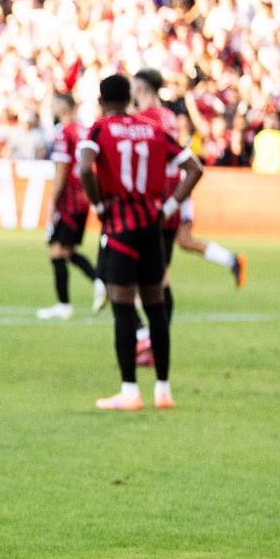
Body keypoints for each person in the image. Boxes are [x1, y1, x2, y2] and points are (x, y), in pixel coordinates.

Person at [78, 74, 203, 411]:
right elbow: (194, 167)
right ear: (130, 97)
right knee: (156, 307)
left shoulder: (100, 130)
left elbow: (86, 168)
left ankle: (130, 391)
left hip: (120, 226)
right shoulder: (153, 129)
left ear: (102, 101)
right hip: (151, 225)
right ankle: (163, 390)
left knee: (122, 309)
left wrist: (99, 205)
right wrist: (169, 207)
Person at [132, 68, 246, 291]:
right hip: (179, 184)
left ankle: (142, 321)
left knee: (148, 261)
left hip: (162, 190)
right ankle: (230, 260)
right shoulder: (170, 117)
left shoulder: (146, 119)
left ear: (139, 88)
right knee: (181, 242)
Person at [36, 95, 106, 319]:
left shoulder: (64, 134)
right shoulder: (83, 130)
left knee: (57, 251)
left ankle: (67, 303)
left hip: (69, 201)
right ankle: (99, 282)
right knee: (67, 251)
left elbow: (61, 172)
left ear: (61, 107)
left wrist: (51, 203)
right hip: (82, 199)